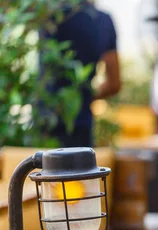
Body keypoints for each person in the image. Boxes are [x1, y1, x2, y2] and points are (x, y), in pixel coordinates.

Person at [45, 1, 121, 147]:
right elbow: (114, 84)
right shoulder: (102, 20)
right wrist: (84, 96)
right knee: (80, 168)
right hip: (82, 123)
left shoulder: (48, 16)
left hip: (44, 120)